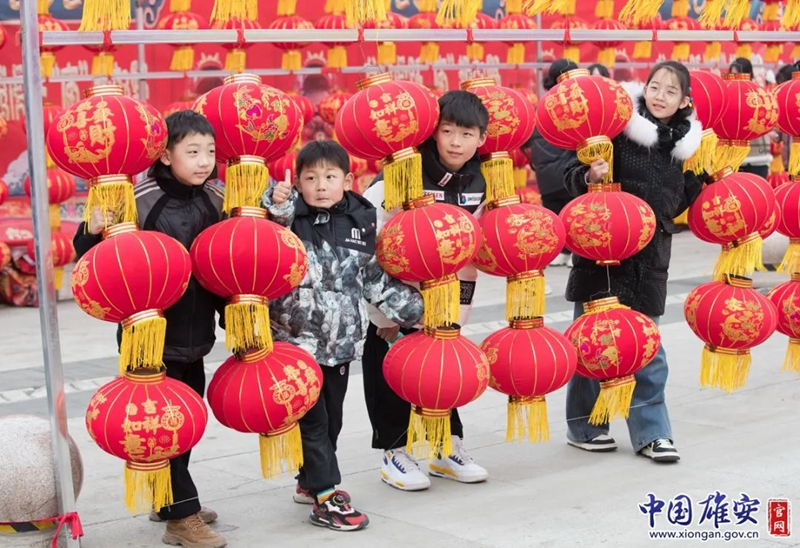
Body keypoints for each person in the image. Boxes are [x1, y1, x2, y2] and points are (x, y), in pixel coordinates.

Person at [73, 110, 227, 548]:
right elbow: (96, 259)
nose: (204, 161)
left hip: (196, 333)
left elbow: (226, 262)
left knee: (186, 420)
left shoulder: (216, 198)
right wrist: (91, 231)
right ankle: (182, 516)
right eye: (192, 151)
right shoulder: (140, 199)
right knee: (163, 421)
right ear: (164, 155)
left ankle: (168, 498)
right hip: (150, 336)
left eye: (210, 151)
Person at [263, 140, 423, 531]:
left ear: (347, 181)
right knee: (313, 421)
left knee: (331, 421)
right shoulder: (291, 219)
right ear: (298, 183)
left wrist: (417, 310)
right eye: (310, 178)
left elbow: (372, 278)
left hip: (340, 345)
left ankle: (309, 481)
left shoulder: (359, 221)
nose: (320, 185)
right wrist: (277, 202)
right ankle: (325, 496)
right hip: (295, 343)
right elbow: (270, 227)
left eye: (330, 177)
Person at [563, 61, 705, 464]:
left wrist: (697, 188)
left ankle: (652, 434)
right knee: (594, 342)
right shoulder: (617, 127)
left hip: (651, 259)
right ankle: (585, 426)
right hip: (603, 255)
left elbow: (672, 205)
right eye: (655, 86)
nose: (660, 96)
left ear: (684, 101)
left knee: (647, 348)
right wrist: (590, 175)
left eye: (671, 91)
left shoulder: (682, 147)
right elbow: (571, 174)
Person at [361, 90, 490, 492]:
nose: (455, 142)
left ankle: (445, 446)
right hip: (394, 299)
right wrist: (385, 314)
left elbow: (469, 255)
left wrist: (457, 313)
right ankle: (394, 452)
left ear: (482, 138)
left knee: (442, 370)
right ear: (432, 132)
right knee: (390, 371)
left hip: (442, 301)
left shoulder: (480, 182)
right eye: (447, 131)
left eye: (466, 134)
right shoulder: (400, 176)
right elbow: (367, 247)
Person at [529, 59, 580, 267]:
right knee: (574, 213)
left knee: (555, 215)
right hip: (568, 171)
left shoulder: (542, 105)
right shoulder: (573, 104)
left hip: (545, 174)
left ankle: (561, 251)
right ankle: (574, 251)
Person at [729, 57, 772, 178]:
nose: (735, 78)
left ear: (748, 74)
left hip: (758, 155)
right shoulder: (729, 95)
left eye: (738, 74)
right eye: (732, 75)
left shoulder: (759, 95)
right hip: (735, 156)